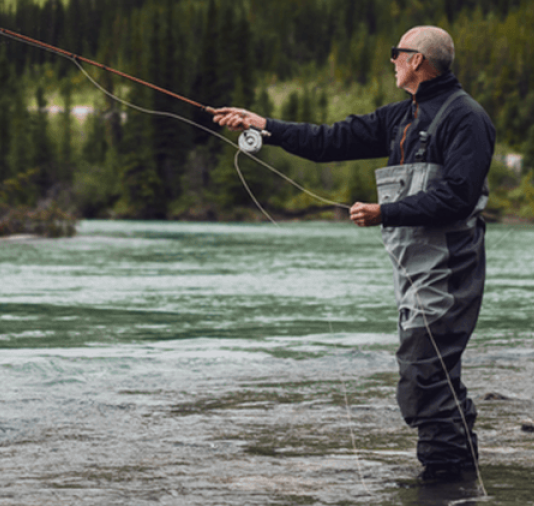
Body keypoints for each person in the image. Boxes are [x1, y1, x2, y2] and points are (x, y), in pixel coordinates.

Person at [212, 25, 495, 483]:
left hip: (450, 266)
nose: (392, 61)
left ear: (418, 61)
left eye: (396, 54)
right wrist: (263, 126)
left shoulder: (466, 118)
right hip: (417, 268)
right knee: (432, 372)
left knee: (425, 372)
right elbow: (329, 142)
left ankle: (445, 479)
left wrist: (386, 212)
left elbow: (460, 197)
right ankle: (453, 478)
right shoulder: (402, 116)